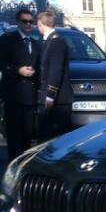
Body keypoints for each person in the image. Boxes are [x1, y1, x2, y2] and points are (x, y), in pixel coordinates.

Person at [0, 8, 41, 160]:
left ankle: (24, 164)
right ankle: (14, 165)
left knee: (28, 134)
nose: (28, 24)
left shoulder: (35, 43)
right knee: (14, 135)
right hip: (14, 94)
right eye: (25, 21)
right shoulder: (7, 40)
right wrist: (18, 70)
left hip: (30, 95)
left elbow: (39, 67)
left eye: (31, 21)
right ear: (18, 22)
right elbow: (2, 63)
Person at [36, 10, 73, 141]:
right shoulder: (49, 41)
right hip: (53, 97)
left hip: (58, 99)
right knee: (46, 136)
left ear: (40, 24)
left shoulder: (56, 42)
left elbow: (55, 71)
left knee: (56, 138)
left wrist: (50, 96)